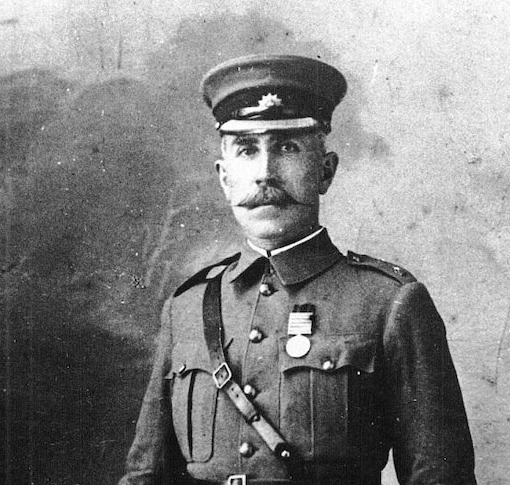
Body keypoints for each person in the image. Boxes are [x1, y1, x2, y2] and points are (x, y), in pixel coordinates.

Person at [120, 54, 476, 485]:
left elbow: (440, 476)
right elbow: (145, 475)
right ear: (224, 178)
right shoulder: (187, 307)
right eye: (247, 150)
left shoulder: (390, 304)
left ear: (324, 172)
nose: (266, 173)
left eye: (287, 148)